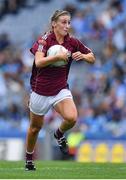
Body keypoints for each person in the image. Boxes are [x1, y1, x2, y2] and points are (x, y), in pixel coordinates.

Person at [25, 10, 95, 171]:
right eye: (63, 22)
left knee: (72, 118)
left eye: (69, 22)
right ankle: (29, 159)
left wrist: (83, 57)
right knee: (35, 128)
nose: (67, 25)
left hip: (60, 89)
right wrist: (57, 57)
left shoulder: (72, 42)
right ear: (54, 24)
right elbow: (39, 62)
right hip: (39, 91)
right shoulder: (44, 40)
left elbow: (92, 57)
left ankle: (58, 134)